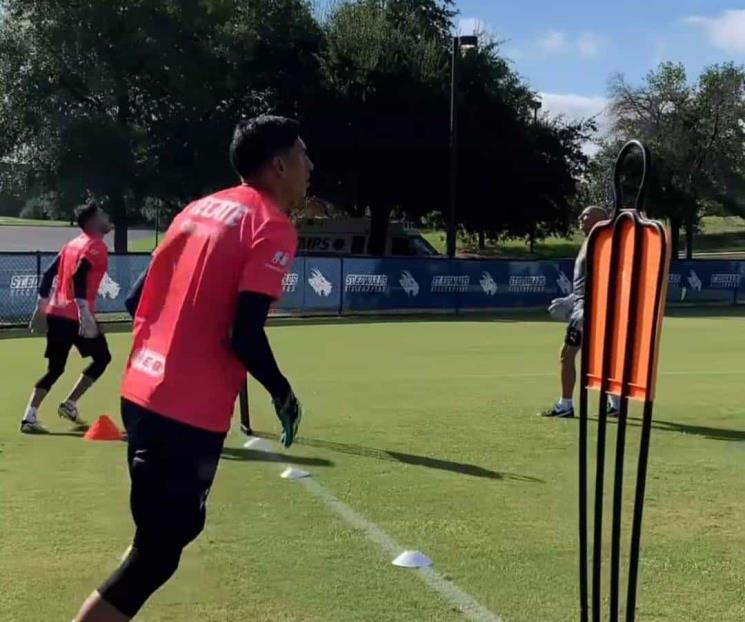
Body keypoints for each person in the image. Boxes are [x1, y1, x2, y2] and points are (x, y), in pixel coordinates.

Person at [73, 115, 311, 622]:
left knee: (160, 541)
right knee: (155, 555)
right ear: (279, 165)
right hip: (184, 410)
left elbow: (139, 298)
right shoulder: (270, 224)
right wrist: (283, 393)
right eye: (303, 155)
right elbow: (243, 333)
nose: (310, 167)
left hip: (142, 390)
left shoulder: (198, 209)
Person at [21, 202, 113, 434]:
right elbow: (79, 274)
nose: (106, 218)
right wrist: (83, 311)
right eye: (101, 215)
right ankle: (70, 403)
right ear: (92, 221)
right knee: (102, 358)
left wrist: (41, 306)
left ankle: (29, 416)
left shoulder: (72, 244)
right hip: (75, 317)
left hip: (57, 314)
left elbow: (49, 273)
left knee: (56, 369)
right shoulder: (95, 246)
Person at [541, 205, 621, 418]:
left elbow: (604, 280)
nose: (580, 217)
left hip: (586, 312)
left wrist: (583, 306)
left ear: (597, 220)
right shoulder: (594, 242)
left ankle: (565, 405)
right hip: (586, 307)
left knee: (567, 355)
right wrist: (571, 299)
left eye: (585, 215)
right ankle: (616, 404)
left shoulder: (601, 243)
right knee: (602, 358)